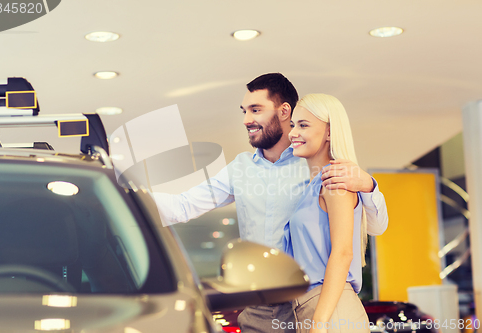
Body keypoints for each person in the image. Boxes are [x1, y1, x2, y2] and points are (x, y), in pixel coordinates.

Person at [153, 73, 387, 333]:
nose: (246, 120)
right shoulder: (240, 169)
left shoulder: (319, 167)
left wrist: (369, 186)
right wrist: (118, 199)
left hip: (310, 302)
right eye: (244, 111)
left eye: (256, 110)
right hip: (258, 308)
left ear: (284, 111)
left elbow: (371, 229)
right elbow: (181, 205)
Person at [283, 93, 371, 333]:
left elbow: (342, 253)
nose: (292, 133)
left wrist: (319, 322)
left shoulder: (335, 181)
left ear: (330, 132)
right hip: (313, 308)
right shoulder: (312, 186)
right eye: (292, 125)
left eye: (303, 125)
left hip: (331, 311)